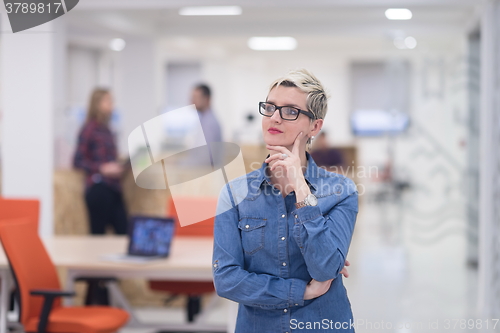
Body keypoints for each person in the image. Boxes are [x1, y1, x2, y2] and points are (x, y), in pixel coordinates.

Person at [212, 69, 358, 332]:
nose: (274, 118)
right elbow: (226, 280)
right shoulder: (235, 194)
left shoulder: (341, 190)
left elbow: (325, 269)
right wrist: (301, 290)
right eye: (270, 108)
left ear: (315, 126)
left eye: (290, 111)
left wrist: (302, 190)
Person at [73, 88, 128, 235]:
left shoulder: (108, 130)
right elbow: (77, 161)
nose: (112, 105)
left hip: (114, 188)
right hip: (98, 189)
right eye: (108, 101)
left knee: (124, 233)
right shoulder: (89, 129)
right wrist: (102, 168)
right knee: (97, 236)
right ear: (97, 104)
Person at [191, 83, 223, 166]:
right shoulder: (204, 119)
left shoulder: (209, 123)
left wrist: (181, 165)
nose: (192, 101)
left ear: (207, 99)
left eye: (196, 98)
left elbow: (205, 159)